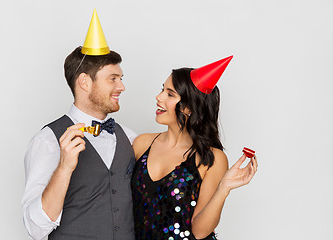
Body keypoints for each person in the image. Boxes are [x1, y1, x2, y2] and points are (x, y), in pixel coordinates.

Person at [22, 10, 136, 240]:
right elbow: (35, 229)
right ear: (84, 82)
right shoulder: (48, 141)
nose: (121, 87)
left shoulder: (131, 138)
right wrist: (64, 168)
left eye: (121, 79)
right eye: (113, 78)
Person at [131, 57, 258, 240]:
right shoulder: (141, 144)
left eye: (170, 94)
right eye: (162, 90)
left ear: (189, 108)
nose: (159, 97)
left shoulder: (211, 158)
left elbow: (200, 231)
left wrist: (224, 188)